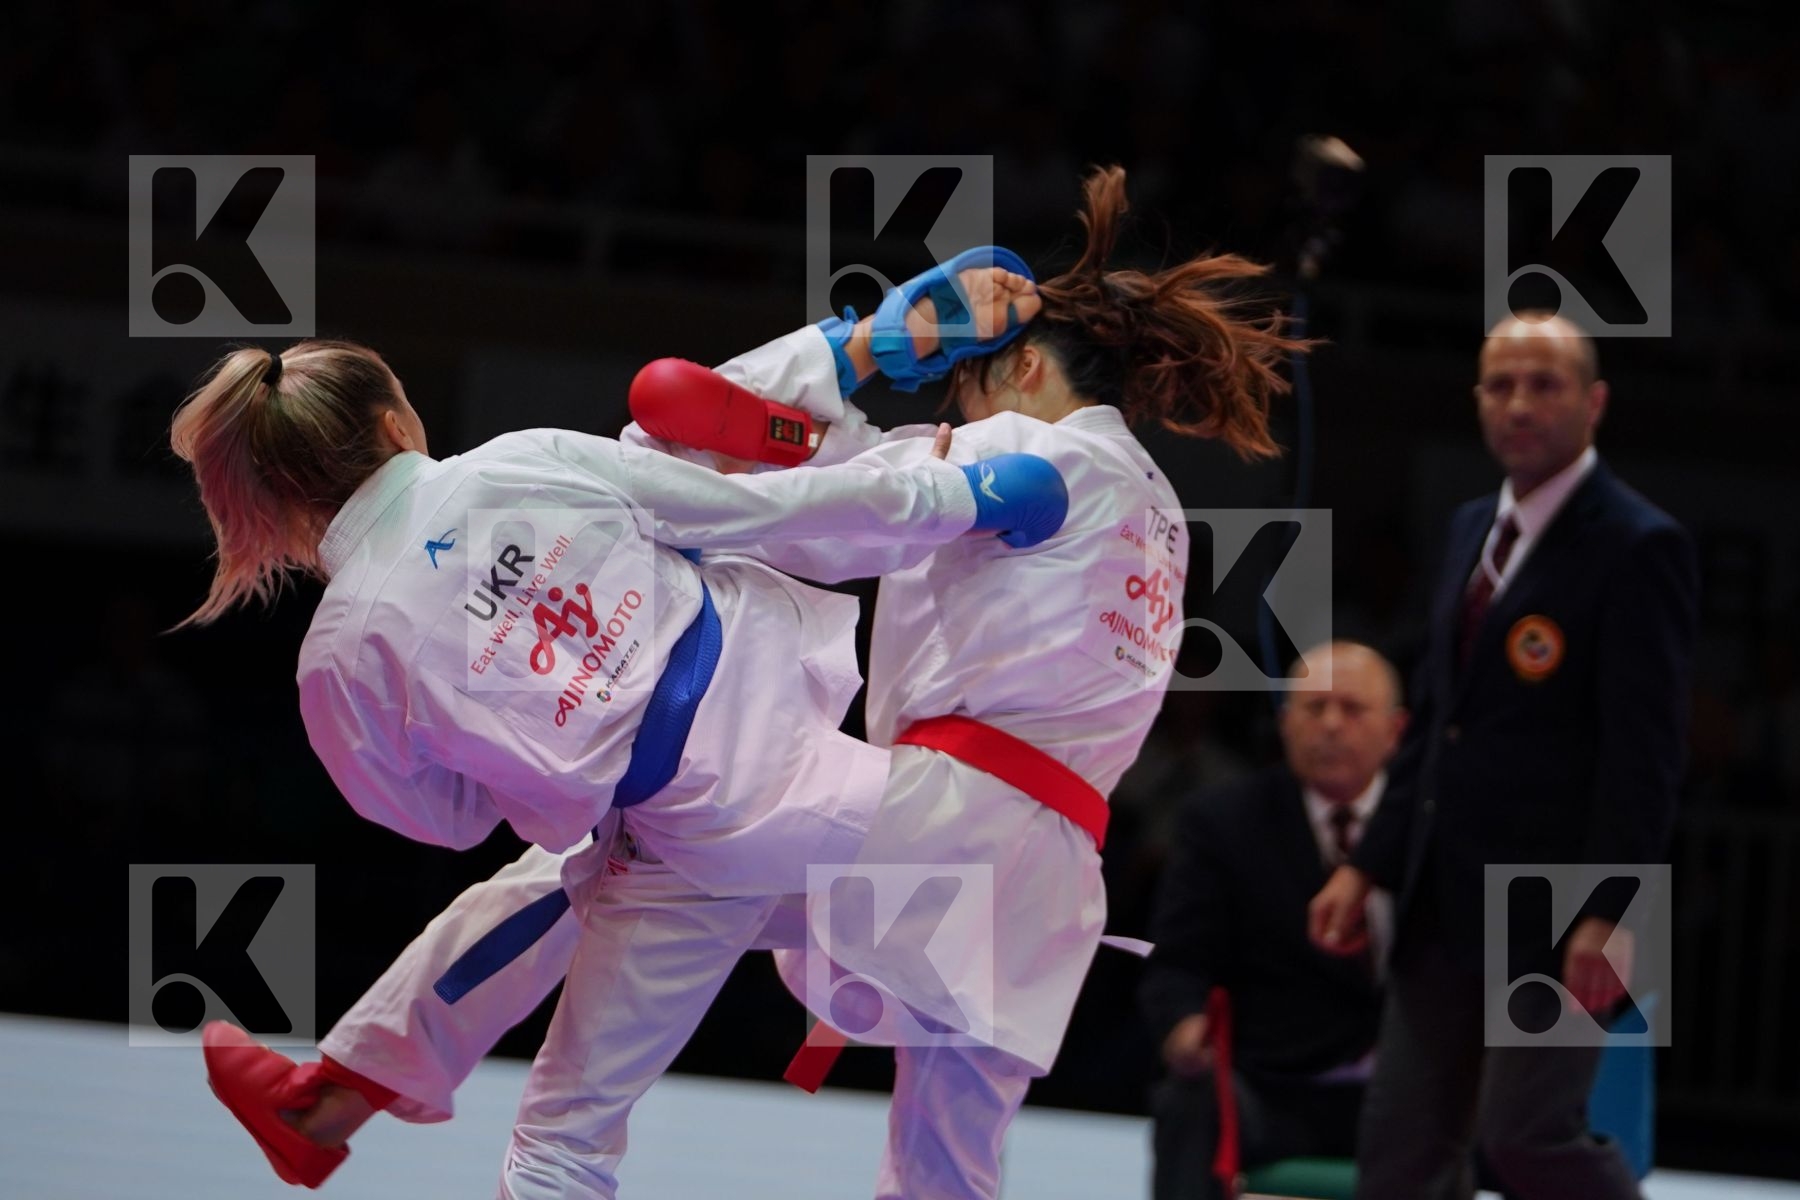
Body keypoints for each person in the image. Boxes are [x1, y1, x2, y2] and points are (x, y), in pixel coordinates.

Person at [206, 166, 1310, 1200]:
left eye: (965, 394)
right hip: (1046, 870)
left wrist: (851, 355)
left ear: (1021, 370)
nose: (957, 420)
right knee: (945, 1176)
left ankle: (337, 1094)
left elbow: (776, 483)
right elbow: (774, 465)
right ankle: (336, 1093)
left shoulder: (1023, 450)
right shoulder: (1158, 509)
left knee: (584, 972)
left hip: (900, 816)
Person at [170, 331, 1067, 1195]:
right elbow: (755, 513)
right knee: (1025, 889)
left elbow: (448, 821)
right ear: (396, 425)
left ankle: (331, 1098)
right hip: (797, 739)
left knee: (562, 1128)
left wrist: (536, 743)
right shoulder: (518, 461)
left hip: (691, 836)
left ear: (278, 514)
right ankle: (332, 1095)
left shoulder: (338, 663)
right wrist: (955, 497)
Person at [1308, 313, 1701, 1200]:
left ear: (1594, 402)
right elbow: (1439, 721)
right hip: (1440, 892)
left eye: (1544, 384)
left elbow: (1647, 755)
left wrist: (1612, 913)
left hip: (1559, 903)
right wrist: (1367, 866)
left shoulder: (1640, 545)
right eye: (1501, 385)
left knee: (1526, 1139)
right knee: (1401, 1152)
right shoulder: (1468, 529)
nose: (1519, 403)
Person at [1140, 641, 1405, 1200]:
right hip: (1273, 1089)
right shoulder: (1223, 822)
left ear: (1396, 730)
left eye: (1352, 709)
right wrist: (1187, 1030)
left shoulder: (1433, 825)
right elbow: (1178, 967)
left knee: (1516, 1110)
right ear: (1284, 724)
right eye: (1313, 708)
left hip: (1406, 1095)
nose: (1330, 725)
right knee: (1187, 1102)